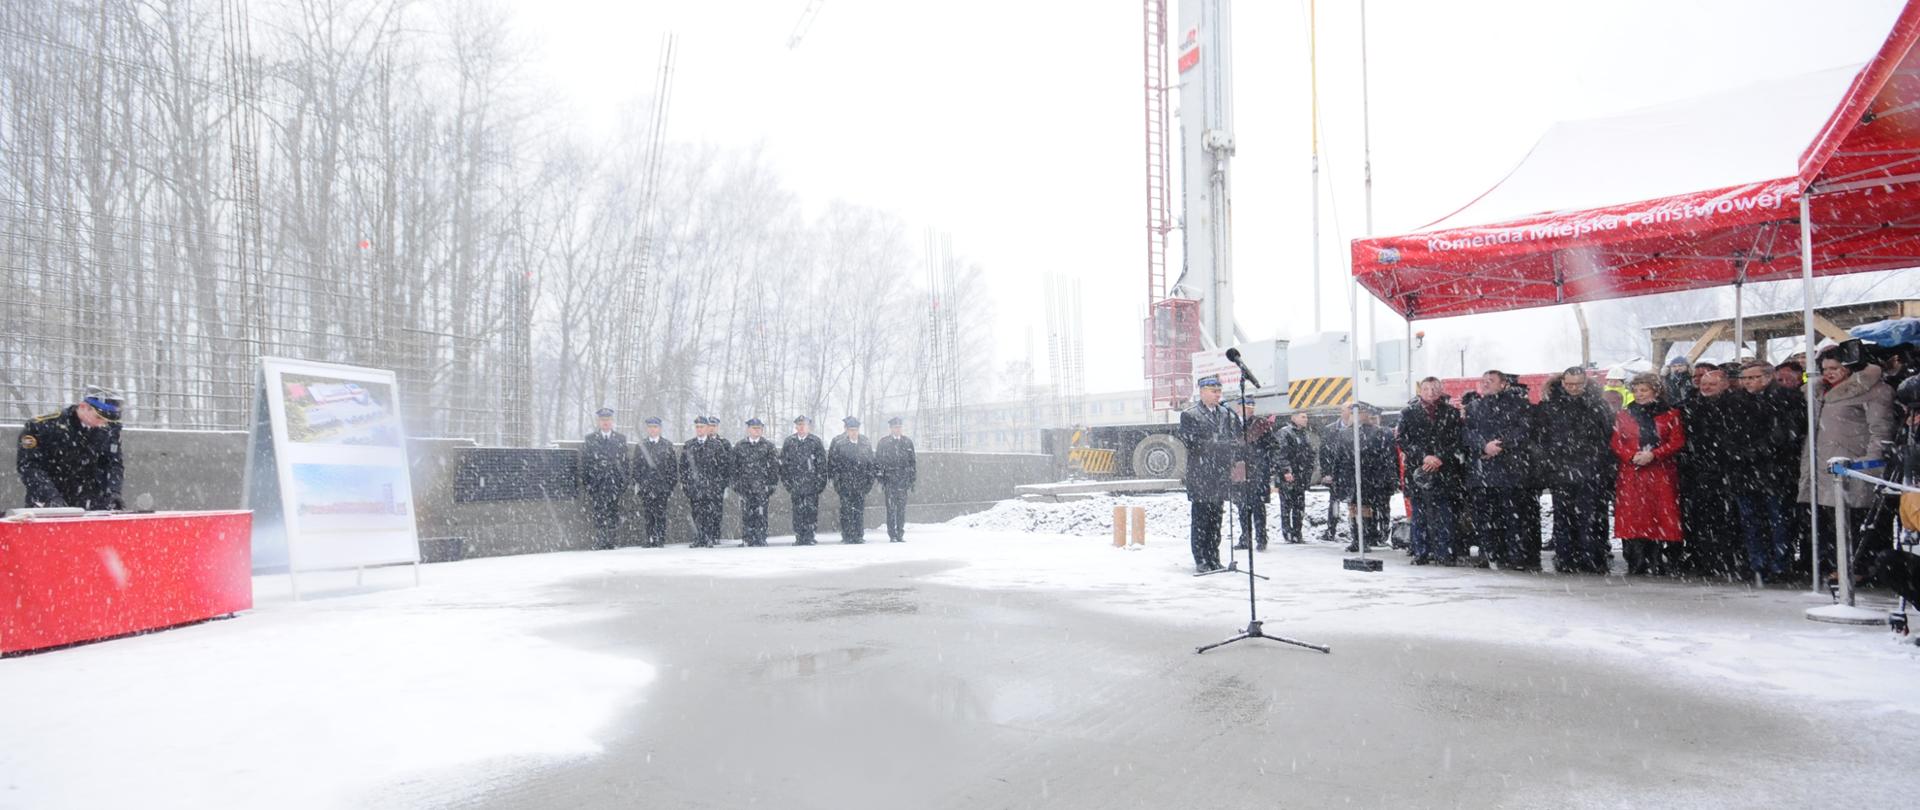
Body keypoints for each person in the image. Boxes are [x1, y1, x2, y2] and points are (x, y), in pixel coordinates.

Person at [1798, 346, 1897, 582]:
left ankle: (1859, 568)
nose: (1828, 373)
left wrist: (1870, 462)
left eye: (1835, 368)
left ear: (1850, 368)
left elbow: (1881, 431)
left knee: (1856, 521)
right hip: (1824, 464)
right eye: (1825, 369)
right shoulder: (1820, 391)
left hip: (1853, 464)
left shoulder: (1875, 391)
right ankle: (1838, 565)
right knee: (1831, 521)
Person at [1534, 368, 1616, 573]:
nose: (1573, 388)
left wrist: (1602, 465)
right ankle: (1566, 557)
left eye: (1577, 384)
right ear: (1562, 383)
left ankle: (1592, 557)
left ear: (1585, 383)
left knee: (1592, 517)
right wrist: (1549, 462)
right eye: (1569, 384)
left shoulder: (1598, 406)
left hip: (1591, 470)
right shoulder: (1550, 406)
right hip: (1561, 470)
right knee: (1563, 516)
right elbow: (1541, 438)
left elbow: (1608, 438)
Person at [1678, 367, 1755, 578]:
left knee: (1728, 519)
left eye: (1712, 384)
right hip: (1697, 469)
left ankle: (1728, 558)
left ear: (1725, 384)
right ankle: (1704, 557)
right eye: (1704, 384)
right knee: (1700, 518)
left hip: (1728, 469)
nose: (1707, 388)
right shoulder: (1691, 406)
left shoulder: (1736, 405)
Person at [1732, 362, 1799, 581]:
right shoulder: (1738, 401)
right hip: (1744, 470)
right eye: (1744, 378)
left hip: (1774, 469)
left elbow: (1787, 434)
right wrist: (1737, 451)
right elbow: (1729, 431)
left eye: (1752, 377)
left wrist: (1758, 450)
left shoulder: (1786, 399)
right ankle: (1757, 563)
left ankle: (1780, 564)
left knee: (1778, 519)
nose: (1747, 382)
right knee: (1750, 521)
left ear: (1768, 377)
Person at [1613, 373, 1686, 575]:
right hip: (1632, 472)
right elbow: (1616, 442)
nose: (1639, 394)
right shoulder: (1624, 415)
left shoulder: (1671, 414)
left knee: (1659, 515)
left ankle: (1657, 557)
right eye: (1636, 390)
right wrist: (1632, 455)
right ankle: (1636, 558)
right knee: (1633, 516)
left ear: (1656, 391)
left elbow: (1677, 441)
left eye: (1644, 390)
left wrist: (1654, 454)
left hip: (1660, 471)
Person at [1465, 370, 1536, 570]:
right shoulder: (1474, 407)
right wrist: (1483, 446)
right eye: (1483, 380)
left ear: (1503, 384)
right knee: (1484, 516)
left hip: (1510, 470)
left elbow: (1523, 430)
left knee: (1513, 516)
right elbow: (1467, 432)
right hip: (1482, 471)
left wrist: (1500, 445)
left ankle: (1514, 555)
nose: (1486, 384)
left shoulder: (1518, 405)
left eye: (1491, 380)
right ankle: (1487, 552)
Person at [16, 384, 125, 510]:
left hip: (92, 505)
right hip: (47, 502)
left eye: (107, 420)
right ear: (83, 407)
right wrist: (50, 497)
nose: (102, 423)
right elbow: (29, 467)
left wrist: (113, 492)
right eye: (98, 417)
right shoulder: (42, 427)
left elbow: (113, 463)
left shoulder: (109, 430)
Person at [1395, 377, 1464, 565]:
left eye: (1434, 388)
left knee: (1445, 513)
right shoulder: (1408, 413)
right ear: (1420, 391)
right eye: (1426, 389)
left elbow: (1458, 440)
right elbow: (1402, 440)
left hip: (1445, 469)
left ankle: (1445, 553)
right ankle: (1421, 552)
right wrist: (1424, 457)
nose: (1430, 392)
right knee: (1419, 513)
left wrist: (1440, 457)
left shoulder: (1451, 413)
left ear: (1440, 390)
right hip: (1418, 470)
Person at [1178, 376, 1242, 573]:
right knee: (1201, 519)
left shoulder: (1225, 413)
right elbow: (1192, 442)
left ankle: (1214, 557)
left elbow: (1235, 436)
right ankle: (1201, 559)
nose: (1217, 395)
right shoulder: (1190, 414)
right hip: (1201, 474)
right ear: (1202, 392)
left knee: (1216, 519)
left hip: (1219, 474)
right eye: (1213, 391)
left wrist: (1231, 450)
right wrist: (1219, 445)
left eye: (1219, 391)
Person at [1232, 397, 1279, 551]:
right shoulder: (1231, 424)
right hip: (1239, 469)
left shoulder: (1260, 424)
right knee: (1242, 506)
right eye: (1247, 406)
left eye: (1252, 407)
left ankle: (1261, 538)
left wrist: (1264, 461)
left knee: (1258, 505)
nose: (1250, 409)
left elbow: (1272, 445)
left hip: (1258, 470)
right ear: (1238, 407)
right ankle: (1245, 538)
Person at [580, 407, 630, 550]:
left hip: (614, 484)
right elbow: (586, 464)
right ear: (598, 421)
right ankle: (601, 540)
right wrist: (589, 484)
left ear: (612, 421)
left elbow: (625, 463)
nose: (605, 422)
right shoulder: (590, 439)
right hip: (597, 484)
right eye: (603, 420)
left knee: (613, 513)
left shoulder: (620, 439)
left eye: (608, 419)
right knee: (599, 514)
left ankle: (611, 541)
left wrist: (623, 483)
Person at [681, 416, 731, 548]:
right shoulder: (689, 445)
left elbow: (723, 467)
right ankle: (698, 538)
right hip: (695, 487)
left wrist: (718, 486)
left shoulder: (716, 445)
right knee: (696, 513)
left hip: (711, 487)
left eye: (702, 427)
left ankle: (709, 537)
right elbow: (684, 468)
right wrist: (687, 485)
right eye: (697, 427)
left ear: (707, 428)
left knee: (710, 513)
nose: (699, 429)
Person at [779, 415, 828, 545]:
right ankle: (799, 536)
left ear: (809, 427)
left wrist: (819, 483)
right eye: (799, 425)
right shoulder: (789, 442)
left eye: (804, 425)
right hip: (795, 485)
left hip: (811, 485)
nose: (801, 427)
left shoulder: (815, 442)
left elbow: (821, 464)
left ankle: (810, 536)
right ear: (796, 426)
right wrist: (788, 483)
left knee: (811, 512)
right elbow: (784, 465)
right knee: (797, 512)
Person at [828, 416, 876, 543]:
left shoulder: (865, 444)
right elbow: (834, 466)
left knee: (859, 511)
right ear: (847, 431)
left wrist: (869, 483)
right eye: (851, 430)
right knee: (846, 511)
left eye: (855, 430)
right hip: (845, 484)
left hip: (861, 484)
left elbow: (871, 465)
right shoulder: (840, 445)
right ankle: (847, 535)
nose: (853, 432)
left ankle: (858, 535)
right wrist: (837, 483)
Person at [631, 416, 677, 548]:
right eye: (650, 427)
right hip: (646, 487)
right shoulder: (641, 446)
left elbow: (672, 469)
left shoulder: (667, 445)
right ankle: (649, 538)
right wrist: (640, 483)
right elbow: (636, 467)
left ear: (660, 429)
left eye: (655, 427)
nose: (653, 429)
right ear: (647, 429)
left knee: (661, 514)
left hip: (662, 488)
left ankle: (660, 539)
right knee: (648, 515)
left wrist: (669, 486)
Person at [731, 418, 778, 547]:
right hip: (745, 487)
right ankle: (748, 538)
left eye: (759, 428)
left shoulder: (768, 446)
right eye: (754, 428)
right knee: (746, 514)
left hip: (762, 488)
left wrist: (770, 486)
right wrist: (737, 485)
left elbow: (774, 469)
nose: (757, 431)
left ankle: (760, 537)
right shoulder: (740, 446)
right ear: (748, 429)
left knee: (761, 514)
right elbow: (734, 468)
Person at [1274, 410, 1317, 545]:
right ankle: (1287, 532)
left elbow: (1309, 453)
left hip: (1300, 475)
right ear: (1294, 418)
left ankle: (1297, 533)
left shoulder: (1304, 434)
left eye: (1306, 417)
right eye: (1303, 417)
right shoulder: (1285, 433)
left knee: (1299, 506)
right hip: (1289, 475)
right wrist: (1286, 470)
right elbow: (1281, 453)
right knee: (1287, 506)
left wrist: (1309, 469)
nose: (1306, 419)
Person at [874, 417, 918, 543]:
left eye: (899, 427)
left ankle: (900, 533)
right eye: (895, 427)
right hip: (890, 481)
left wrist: (912, 480)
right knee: (891, 509)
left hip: (903, 481)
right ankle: (892, 534)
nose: (897, 429)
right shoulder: (884, 443)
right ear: (891, 428)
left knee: (901, 509)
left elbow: (912, 462)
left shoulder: (907, 442)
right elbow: (878, 462)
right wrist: (881, 480)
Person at [1317, 403, 1357, 543]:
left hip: (1352, 471)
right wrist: (1326, 472)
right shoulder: (1330, 429)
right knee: (1334, 502)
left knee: (1355, 502)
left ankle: (1356, 532)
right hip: (1336, 472)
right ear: (1342, 412)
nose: (1351, 412)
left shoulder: (1357, 428)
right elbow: (1324, 452)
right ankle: (1331, 530)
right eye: (1348, 409)